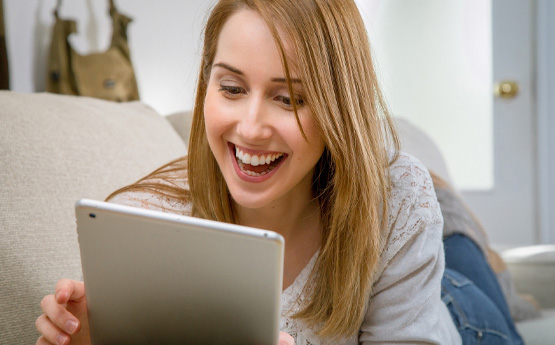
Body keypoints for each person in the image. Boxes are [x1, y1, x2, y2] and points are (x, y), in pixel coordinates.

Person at [35, 0, 524, 344]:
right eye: (230, 88)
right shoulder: (144, 220)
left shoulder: (398, 202)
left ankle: (455, 219)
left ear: (337, 107)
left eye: (287, 98)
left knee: (459, 257)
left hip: (460, 318)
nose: (249, 129)